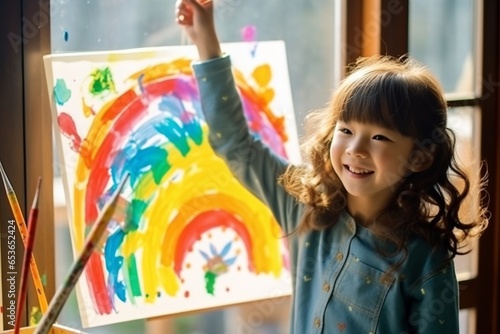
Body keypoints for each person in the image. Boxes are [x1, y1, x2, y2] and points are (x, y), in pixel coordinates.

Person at [175, 0, 489, 333]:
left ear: (420, 156)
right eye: (346, 130)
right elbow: (236, 145)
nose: (356, 149)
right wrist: (205, 40)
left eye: (380, 137)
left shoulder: (426, 260)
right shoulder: (304, 207)